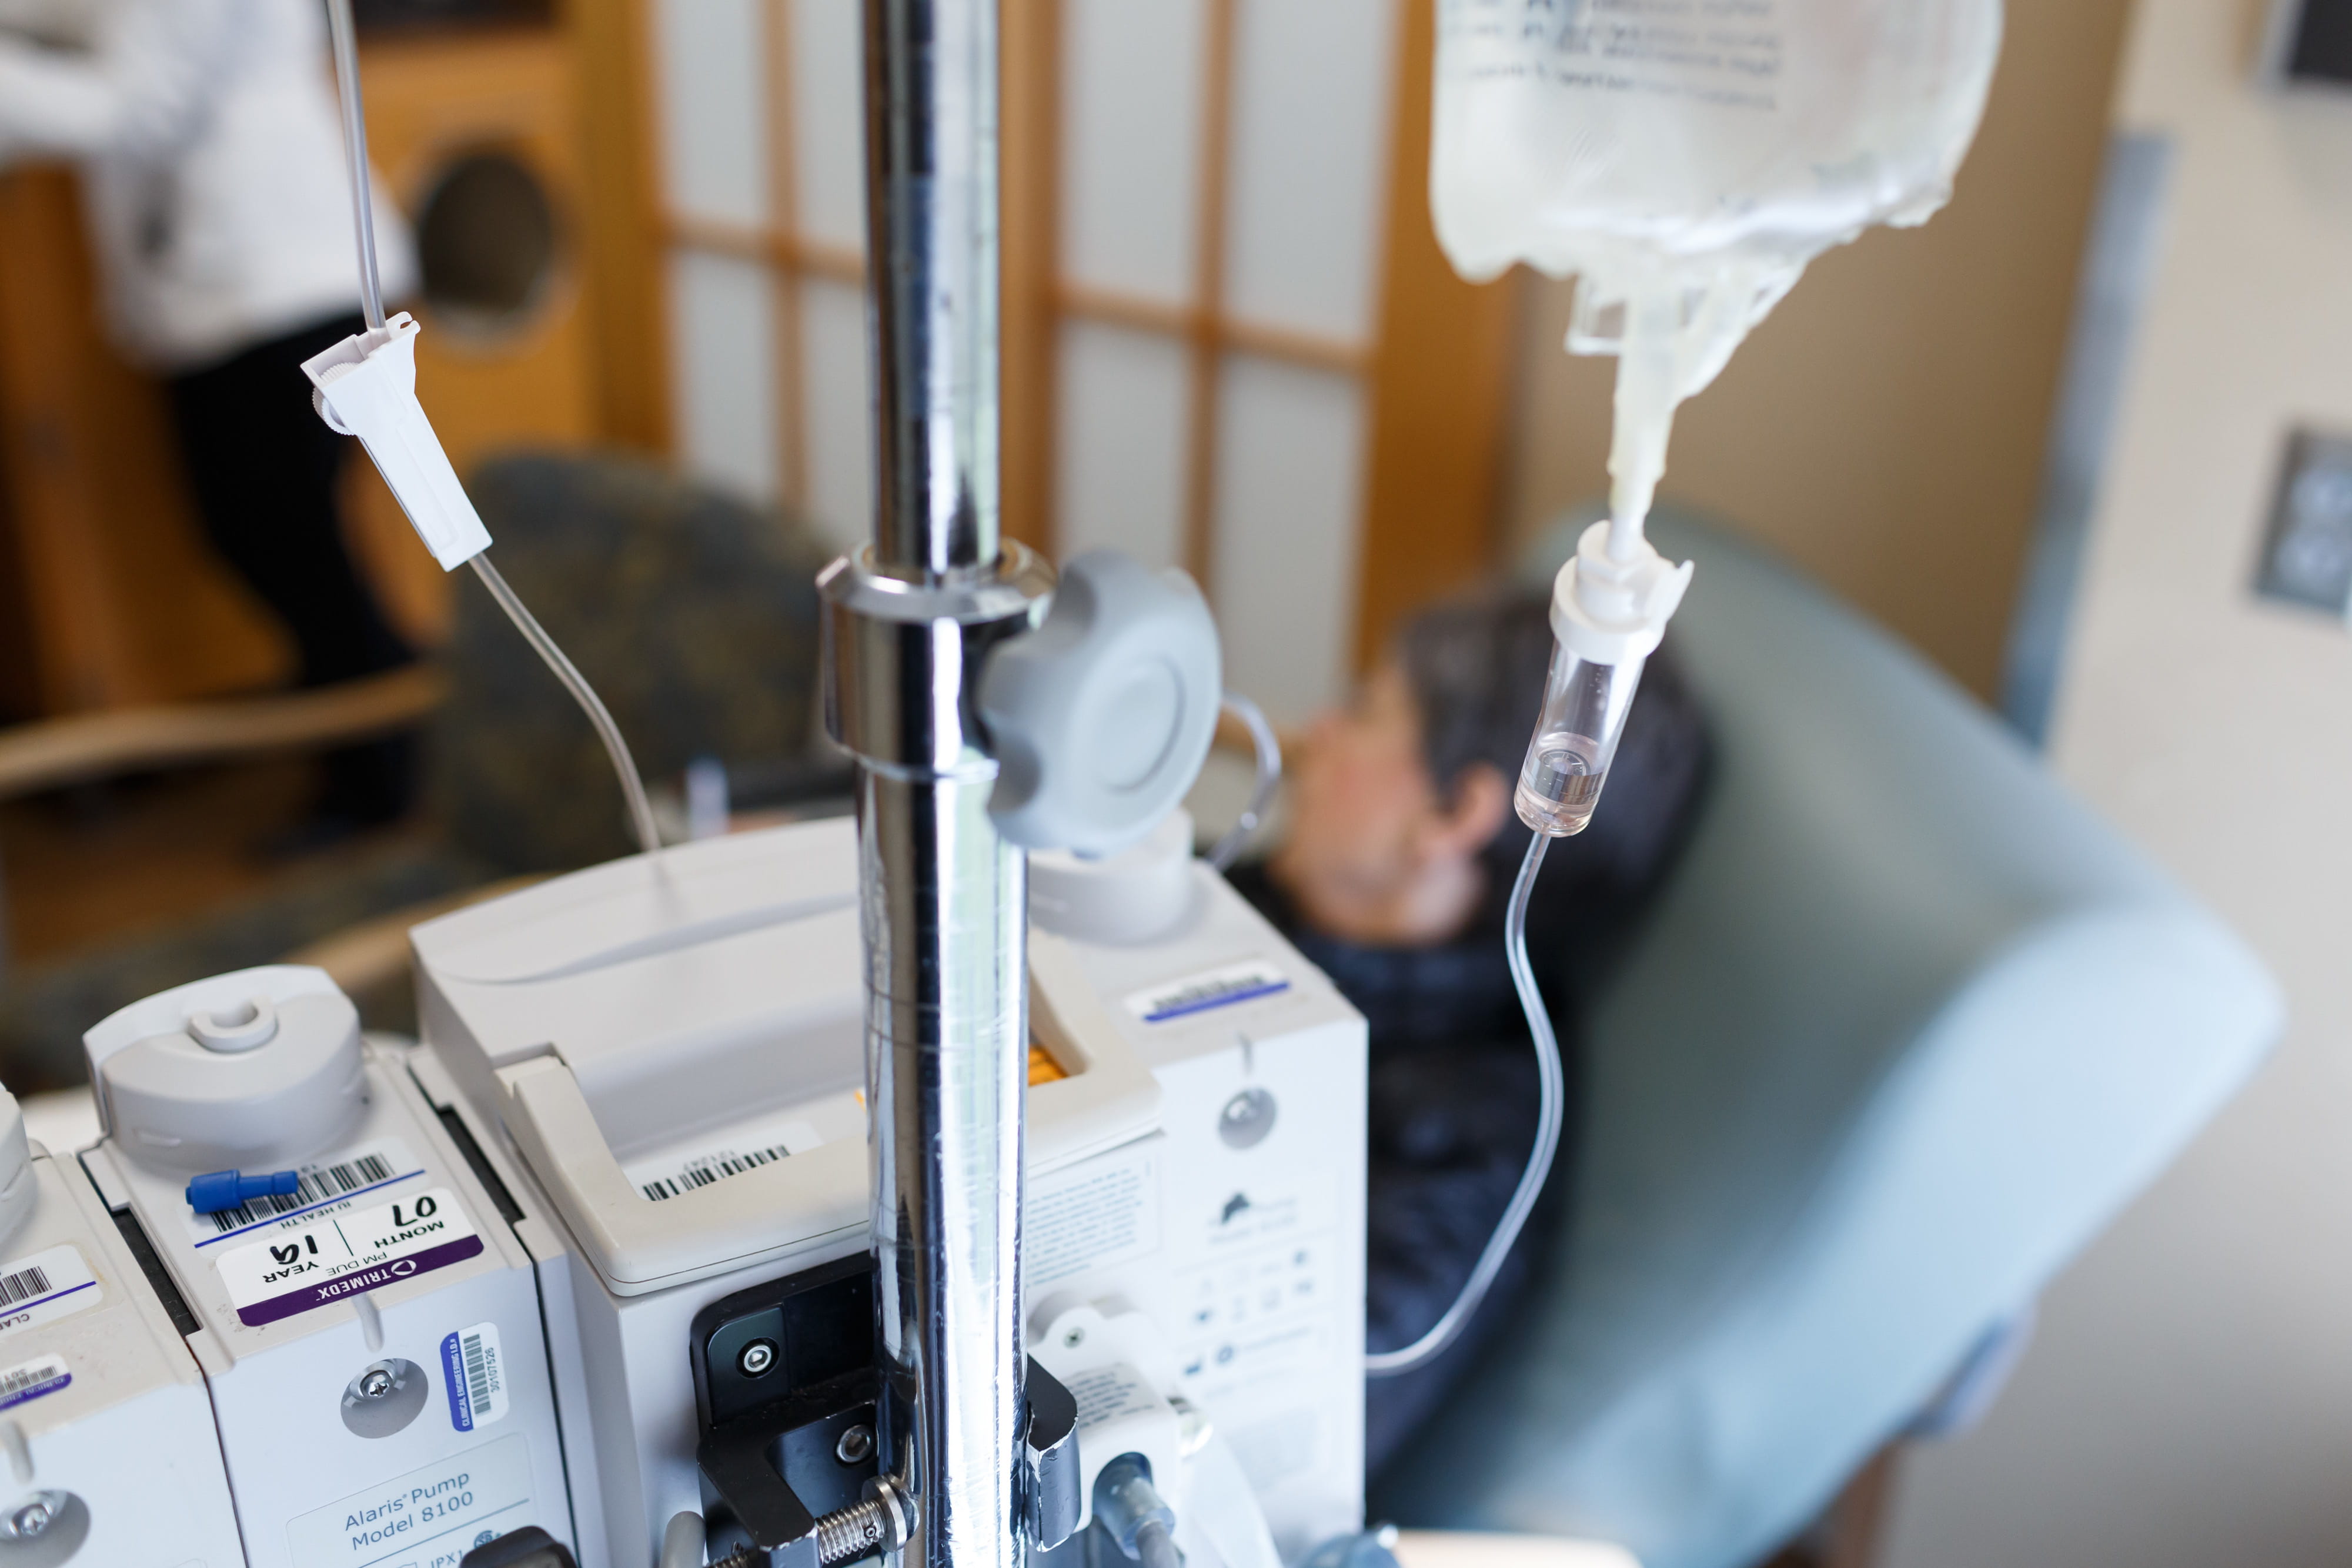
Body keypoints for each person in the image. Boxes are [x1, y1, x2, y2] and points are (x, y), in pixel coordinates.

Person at [1225, 588, 1712, 1477]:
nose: (1319, 731)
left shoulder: (1464, 1131)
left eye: (1368, 711)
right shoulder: (1267, 905)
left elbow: (1281, 1429)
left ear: (1453, 819)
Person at [0, 0, 423, 841]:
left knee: (292, 543)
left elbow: (140, 105)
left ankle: (382, 768)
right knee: (273, 539)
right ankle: (395, 725)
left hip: (279, 280)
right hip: (227, 286)